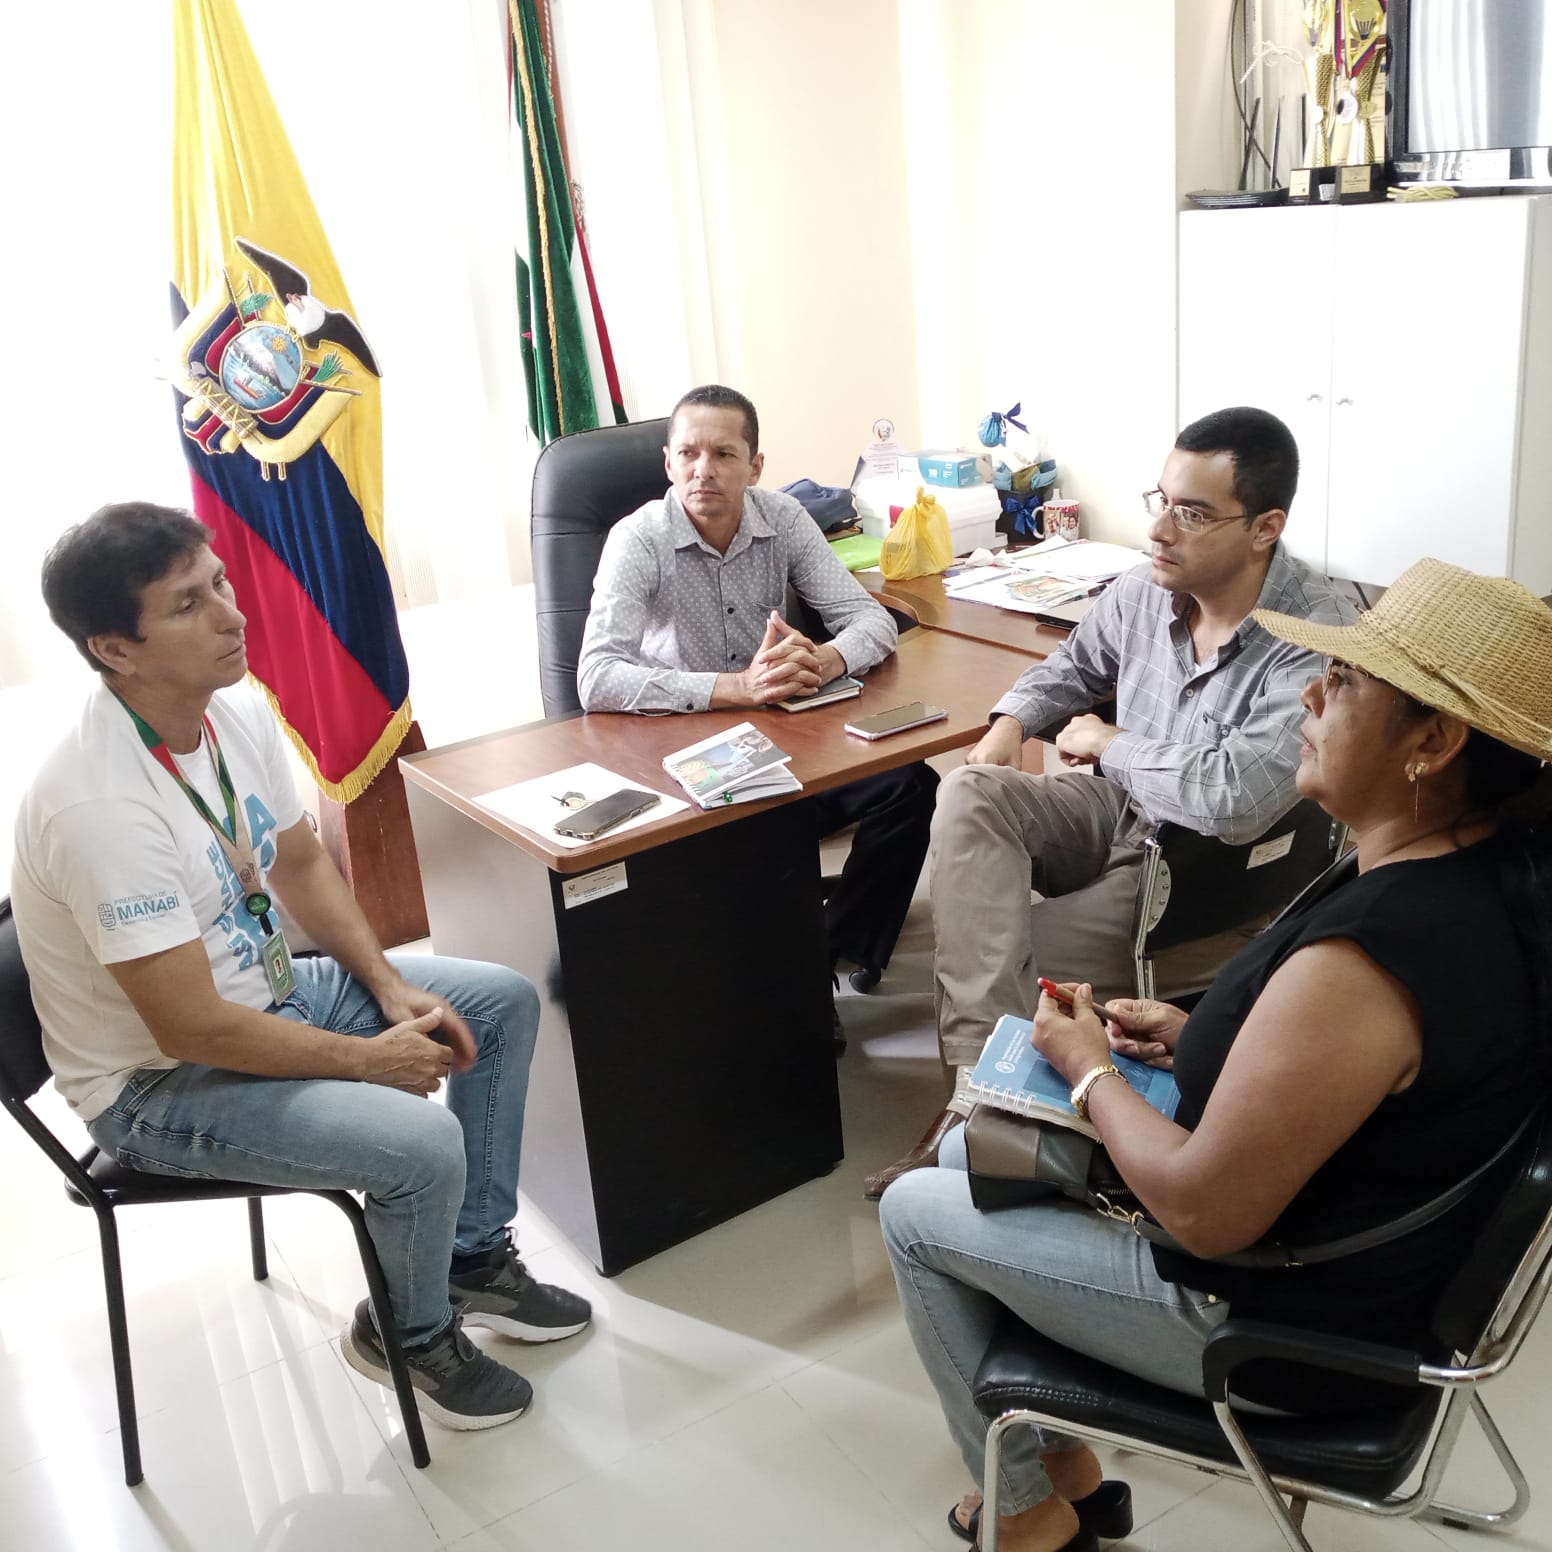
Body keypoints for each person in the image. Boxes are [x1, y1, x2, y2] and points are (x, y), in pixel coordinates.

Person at [881, 558, 1552, 1552]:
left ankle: (1024, 1512)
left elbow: (1204, 1212)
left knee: (912, 1210)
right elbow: (1376, 1087)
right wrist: (1202, 1036)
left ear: (1433, 743)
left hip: (1281, 1331)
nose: (1311, 696)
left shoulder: (1377, 954)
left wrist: (1089, 1069)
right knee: (966, 1150)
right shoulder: (1482, 871)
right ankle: (1061, 1469)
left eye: (1345, 683)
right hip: (1355, 1264)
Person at [10, 503, 592, 1432]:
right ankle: (407, 1334)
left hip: (267, 991)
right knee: (422, 1146)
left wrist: (390, 985)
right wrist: (370, 1060)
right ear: (114, 650)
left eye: (220, 583)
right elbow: (189, 1027)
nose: (232, 615)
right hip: (157, 1082)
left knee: (500, 1001)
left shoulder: (229, 708)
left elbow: (303, 861)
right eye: (189, 604)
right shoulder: (97, 806)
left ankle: (472, 1259)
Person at [865, 406, 1356, 1198]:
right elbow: (1070, 667)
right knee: (970, 792)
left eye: (1191, 513)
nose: (1158, 529)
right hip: (1121, 815)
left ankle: (983, 1118)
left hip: (1205, 876)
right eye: (1160, 500)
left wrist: (1108, 743)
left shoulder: (1316, 634)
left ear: (1265, 528)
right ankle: (983, 1104)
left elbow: (1234, 799)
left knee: (991, 953)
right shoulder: (1146, 588)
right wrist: (1009, 722)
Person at [577, 383, 939, 1022]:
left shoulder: (784, 519)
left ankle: (826, 953)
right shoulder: (638, 540)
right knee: (768, 825)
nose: (704, 470)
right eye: (688, 454)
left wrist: (825, 659)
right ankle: (789, 979)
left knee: (910, 785)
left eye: (723, 454)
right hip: (684, 755)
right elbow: (597, 677)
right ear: (668, 463)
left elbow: (871, 621)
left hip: (785, 736)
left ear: (755, 465)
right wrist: (735, 687)